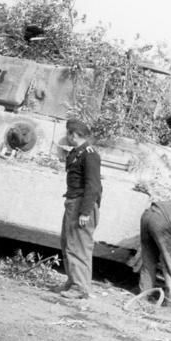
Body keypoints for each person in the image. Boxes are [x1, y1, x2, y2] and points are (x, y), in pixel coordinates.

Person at [59, 119, 102, 299]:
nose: (67, 137)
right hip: (73, 202)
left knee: (80, 246)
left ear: (74, 134)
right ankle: (73, 281)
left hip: (82, 204)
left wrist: (85, 212)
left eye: (68, 133)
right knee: (68, 243)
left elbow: (93, 185)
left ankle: (80, 288)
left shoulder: (89, 154)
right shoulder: (79, 152)